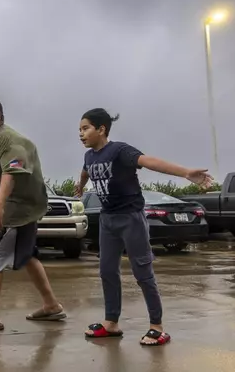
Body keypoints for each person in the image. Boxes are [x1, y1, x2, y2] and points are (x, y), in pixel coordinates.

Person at [75, 107, 213, 346]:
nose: (81, 134)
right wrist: (80, 185)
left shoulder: (120, 150)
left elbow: (149, 162)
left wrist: (186, 172)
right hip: (108, 220)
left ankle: (157, 327)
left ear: (101, 129)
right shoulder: (89, 156)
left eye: (85, 128)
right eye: (79, 130)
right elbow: (87, 171)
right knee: (107, 271)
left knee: (142, 272)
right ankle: (111, 323)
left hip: (131, 218)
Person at [0, 96, 66, 332]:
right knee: (27, 255)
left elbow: (12, 171)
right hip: (14, 210)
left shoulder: (10, 139)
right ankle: (51, 305)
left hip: (13, 210)